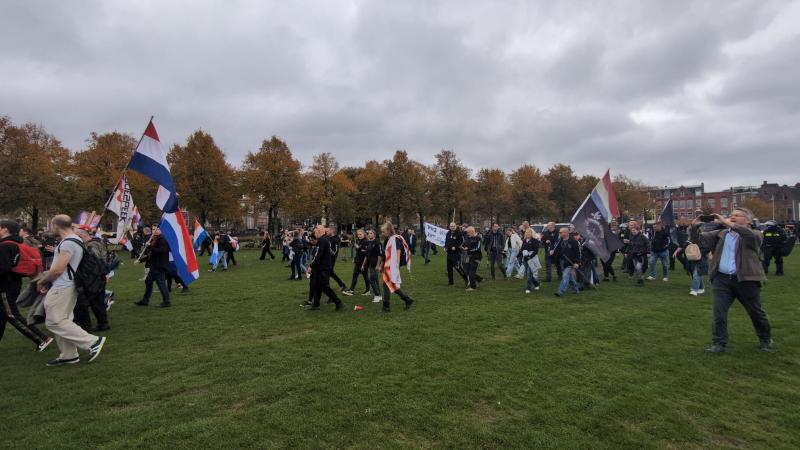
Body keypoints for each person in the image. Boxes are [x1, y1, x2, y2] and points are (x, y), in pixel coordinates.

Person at [693, 209, 772, 353]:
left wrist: (727, 222)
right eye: (732, 215)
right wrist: (695, 226)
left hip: (746, 280)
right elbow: (699, 240)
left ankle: (765, 339)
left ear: (748, 221)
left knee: (756, 312)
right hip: (722, 280)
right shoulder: (721, 234)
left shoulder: (755, 234)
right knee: (719, 313)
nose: (733, 217)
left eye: (737, 215)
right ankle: (719, 343)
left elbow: (748, 235)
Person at [35, 215, 106, 366]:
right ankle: (68, 355)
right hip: (67, 285)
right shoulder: (75, 239)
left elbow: (58, 270)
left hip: (62, 286)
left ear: (56, 226)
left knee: (54, 321)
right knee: (63, 320)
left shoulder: (67, 243)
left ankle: (92, 341)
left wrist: (42, 281)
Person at [0, 219, 53, 352]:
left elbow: (4, 267)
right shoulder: (15, 243)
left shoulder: (5, 246)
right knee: (2, 314)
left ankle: (42, 338)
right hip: (12, 282)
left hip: (5, 284)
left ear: (5, 229)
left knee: (12, 314)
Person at [72, 227, 111, 331]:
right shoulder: (97, 242)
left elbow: (95, 260)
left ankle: (88, 325)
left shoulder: (91, 245)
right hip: (99, 275)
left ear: (82, 236)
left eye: (77, 236)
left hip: (94, 277)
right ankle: (103, 323)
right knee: (98, 302)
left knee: (89, 301)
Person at [305, 225, 346, 311]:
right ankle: (316, 304)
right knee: (317, 286)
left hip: (323, 268)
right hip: (320, 268)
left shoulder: (323, 240)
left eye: (315, 232)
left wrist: (311, 266)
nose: (314, 234)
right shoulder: (322, 240)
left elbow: (318, 255)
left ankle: (338, 303)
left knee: (325, 287)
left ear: (319, 231)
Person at [378, 222, 415, 313]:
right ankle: (407, 299)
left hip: (392, 266)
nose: (382, 233)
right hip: (388, 265)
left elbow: (398, 251)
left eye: (383, 231)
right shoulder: (388, 239)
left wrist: (396, 266)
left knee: (386, 285)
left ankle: (386, 307)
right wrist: (381, 265)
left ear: (389, 230)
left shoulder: (395, 239)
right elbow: (385, 254)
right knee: (391, 285)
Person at [134, 225, 171, 307]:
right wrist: (140, 260)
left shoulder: (162, 240)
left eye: (156, 229)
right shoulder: (155, 239)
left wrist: (150, 246)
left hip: (159, 266)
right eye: (153, 229)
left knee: (161, 284)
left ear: (161, 230)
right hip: (154, 266)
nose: (154, 230)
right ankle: (145, 300)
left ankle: (167, 301)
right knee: (148, 281)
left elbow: (161, 251)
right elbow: (151, 255)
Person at [554, 228, 581, 297]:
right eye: (559, 232)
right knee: (570, 278)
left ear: (566, 233)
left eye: (561, 232)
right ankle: (575, 289)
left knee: (565, 276)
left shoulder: (573, 241)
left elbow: (577, 253)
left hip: (570, 262)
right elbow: (557, 250)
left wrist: (577, 262)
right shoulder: (560, 240)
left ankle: (560, 291)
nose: (559, 234)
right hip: (562, 262)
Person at [624, 221, 650, 286]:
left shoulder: (642, 236)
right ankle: (640, 279)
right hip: (634, 255)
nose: (633, 232)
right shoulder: (631, 237)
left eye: (634, 230)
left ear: (638, 230)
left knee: (639, 267)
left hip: (641, 255)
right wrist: (626, 252)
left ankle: (641, 280)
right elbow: (630, 245)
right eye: (632, 231)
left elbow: (648, 243)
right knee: (637, 268)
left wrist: (648, 252)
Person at [326, 226, 349, 294]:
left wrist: (327, 248)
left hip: (331, 259)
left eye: (328, 230)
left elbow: (335, 252)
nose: (327, 232)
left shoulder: (335, 239)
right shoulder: (330, 238)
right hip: (328, 258)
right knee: (330, 273)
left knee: (328, 272)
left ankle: (328, 288)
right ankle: (342, 285)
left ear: (332, 231)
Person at [348, 229, 370, 295]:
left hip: (363, 263)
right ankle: (351, 289)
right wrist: (355, 259)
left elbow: (365, 253)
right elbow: (358, 252)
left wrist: (358, 248)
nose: (359, 236)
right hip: (358, 262)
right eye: (358, 234)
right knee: (355, 275)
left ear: (364, 234)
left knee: (365, 277)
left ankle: (368, 290)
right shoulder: (360, 241)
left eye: (360, 234)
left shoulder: (365, 242)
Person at [462, 226, 483, 291]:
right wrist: (462, 246)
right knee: (467, 271)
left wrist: (469, 249)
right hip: (469, 256)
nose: (467, 234)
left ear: (472, 231)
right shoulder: (468, 237)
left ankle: (473, 287)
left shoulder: (478, 238)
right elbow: (464, 244)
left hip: (476, 257)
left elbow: (477, 248)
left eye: (468, 232)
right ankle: (479, 279)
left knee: (471, 272)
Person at [520, 228, 541, 293]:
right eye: (527, 232)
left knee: (529, 274)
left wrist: (529, 257)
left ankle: (528, 288)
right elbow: (522, 249)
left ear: (532, 233)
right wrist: (517, 255)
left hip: (532, 259)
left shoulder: (535, 241)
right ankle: (537, 284)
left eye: (529, 232)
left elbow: (536, 251)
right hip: (525, 258)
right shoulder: (524, 240)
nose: (528, 233)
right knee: (529, 274)